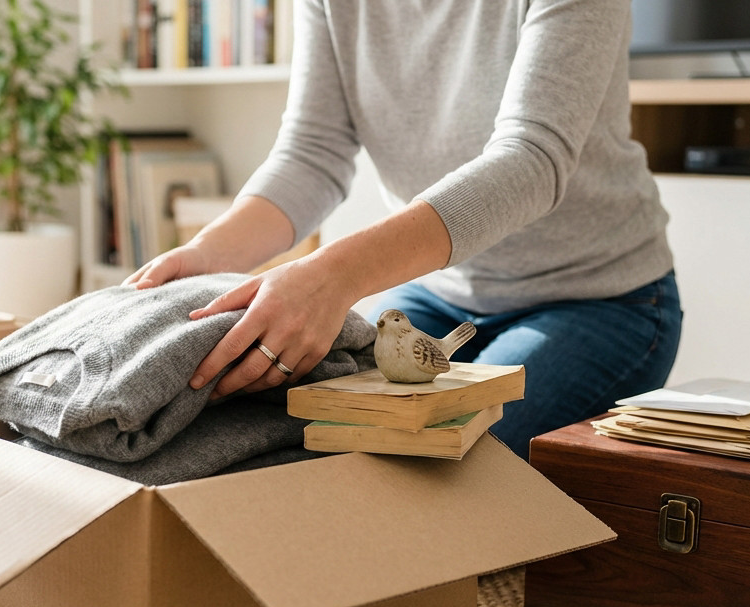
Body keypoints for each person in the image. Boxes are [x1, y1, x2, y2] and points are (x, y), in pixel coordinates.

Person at [123, 0, 682, 460]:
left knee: (435, 460)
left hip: (598, 298)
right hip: (437, 290)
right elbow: (312, 154)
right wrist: (205, 254)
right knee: (321, 446)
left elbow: (532, 160)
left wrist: (335, 275)